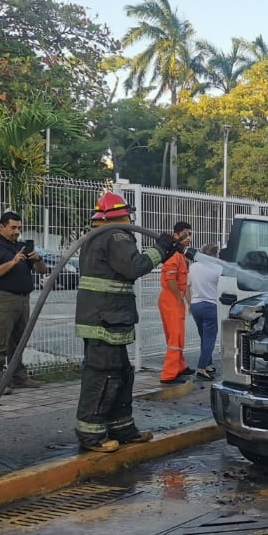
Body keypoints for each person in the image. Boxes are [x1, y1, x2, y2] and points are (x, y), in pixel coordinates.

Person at [75, 193, 192, 452]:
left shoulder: (97, 236)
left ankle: (122, 428)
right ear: (123, 214)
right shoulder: (115, 235)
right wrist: (161, 249)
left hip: (107, 317)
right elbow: (134, 266)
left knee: (121, 374)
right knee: (103, 374)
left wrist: (164, 250)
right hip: (104, 319)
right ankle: (91, 435)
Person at [0, 211, 48, 394]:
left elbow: (43, 271)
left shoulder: (20, 246)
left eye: (19, 227)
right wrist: (13, 262)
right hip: (5, 299)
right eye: (13, 227)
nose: (17, 231)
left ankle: (18, 377)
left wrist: (37, 259)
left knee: (18, 341)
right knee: (0, 340)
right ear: (1, 227)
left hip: (23, 299)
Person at [159, 220, 195, 385]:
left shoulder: (181, 255)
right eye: (185, 234)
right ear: (176, 235)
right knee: (175, 337)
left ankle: (180, 366)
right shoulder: (173, 255)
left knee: (178, 336)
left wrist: (189, 302)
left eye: (190, 234)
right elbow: (170, 279)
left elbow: (184, 283)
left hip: (175, 298)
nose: (189, 237)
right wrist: (180, 299)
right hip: (171, 299)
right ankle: (169, 374)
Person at [189, 243, 221, 380]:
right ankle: (202, 368)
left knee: (203, 336)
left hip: (195, 305)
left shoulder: (193, 267)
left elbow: (187, 286)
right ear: (215, 255)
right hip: (209, 306)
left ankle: (208, 364)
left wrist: (189, 304)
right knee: (210, 339)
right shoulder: (217, 268)